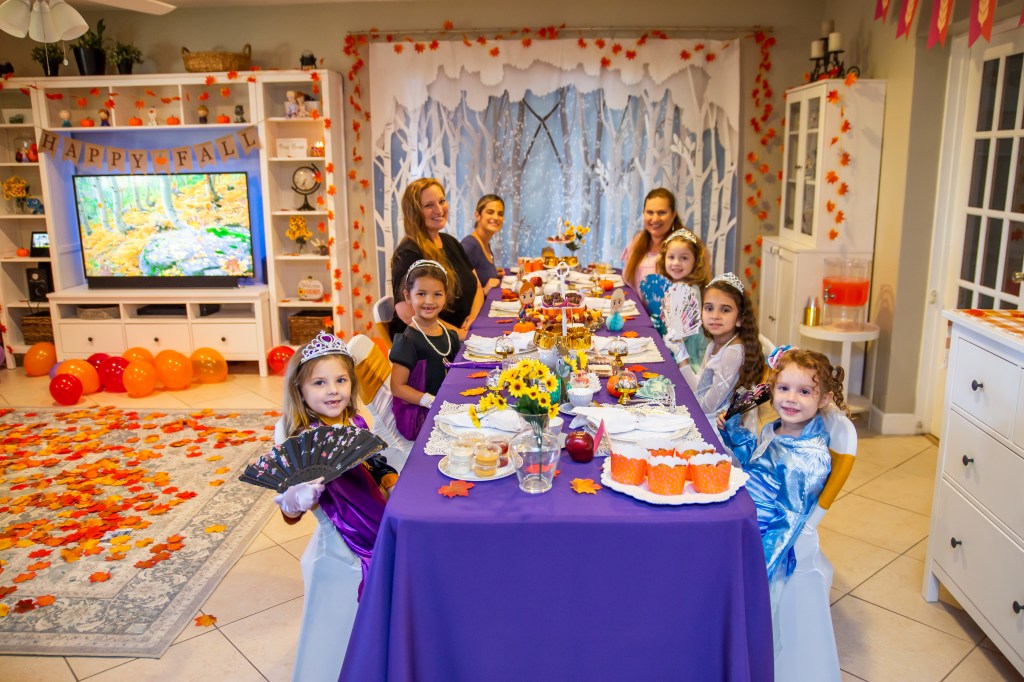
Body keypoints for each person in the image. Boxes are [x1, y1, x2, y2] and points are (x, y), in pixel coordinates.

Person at [271, 331, 397, 681]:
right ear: (300, 390)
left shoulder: (354, 421)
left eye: (341, 380)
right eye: (320, 383)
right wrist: (299, 498)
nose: (333, 390)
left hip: (376, 516)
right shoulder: (300, 438)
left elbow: (374, 461)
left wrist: (387, 476)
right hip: (344, 540)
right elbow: (288, 512)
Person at [717, 347, 847, 606]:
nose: (791, 399)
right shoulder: (778, 428)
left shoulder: (806, 457)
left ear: (824, 398)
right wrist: (732, 429)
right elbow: (756, 459)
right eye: (784, 388)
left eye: (805, 391)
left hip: (759, 530)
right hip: (744, 503)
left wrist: (758, 571)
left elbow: (788, 521)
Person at [390, 178, 483, 339]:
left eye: (441, 201)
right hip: (429, 341)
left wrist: (473, 319)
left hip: (465, 333)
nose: (439, 210)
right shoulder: (408, 254)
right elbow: (408, 313)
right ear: (415, 212)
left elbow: (478, 287)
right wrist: (458, 334)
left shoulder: (450, 242)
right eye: (428, 205)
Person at [678, 272, 765, 426]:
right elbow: (699, 389)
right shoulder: (714, 343)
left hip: (721, 428)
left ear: (739, 319)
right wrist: (680, 353)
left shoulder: (732, 353)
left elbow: (706, 408)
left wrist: (681, 356)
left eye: (725, 310)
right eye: (709, 308)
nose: (715, 315)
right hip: (709, 416)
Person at [389, 259, 461, 440]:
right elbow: (397, 387)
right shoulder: (408, 341)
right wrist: (430, 401)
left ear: (446, 296)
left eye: (437, 294)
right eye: (421, 293)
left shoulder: (450, 335)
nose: (429, 301)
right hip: (421, 415)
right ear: (408, 296)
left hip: (446, 405)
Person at [648, 227, 711, 369]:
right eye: (671, 257)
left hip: (689, 358)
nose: (676, 262)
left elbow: (681, 336)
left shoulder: (689, 292)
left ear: (695, 261)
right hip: (676, 351)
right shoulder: (673, 286)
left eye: (684, 258)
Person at [622, 187, 685, 294]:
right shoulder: (637, 240)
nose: (655, 219)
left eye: (661, 213)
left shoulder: (684, 246)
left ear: (673, 215)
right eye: (650, 212)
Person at [461, 194, 505, 294]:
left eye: (500, 214)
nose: (496, 217)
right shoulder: (470, 246)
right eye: (490, 212)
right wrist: (484, 290)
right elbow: (457, 289)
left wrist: (492, 272)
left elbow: (474, 274)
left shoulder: (485, 243)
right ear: (477, 215)